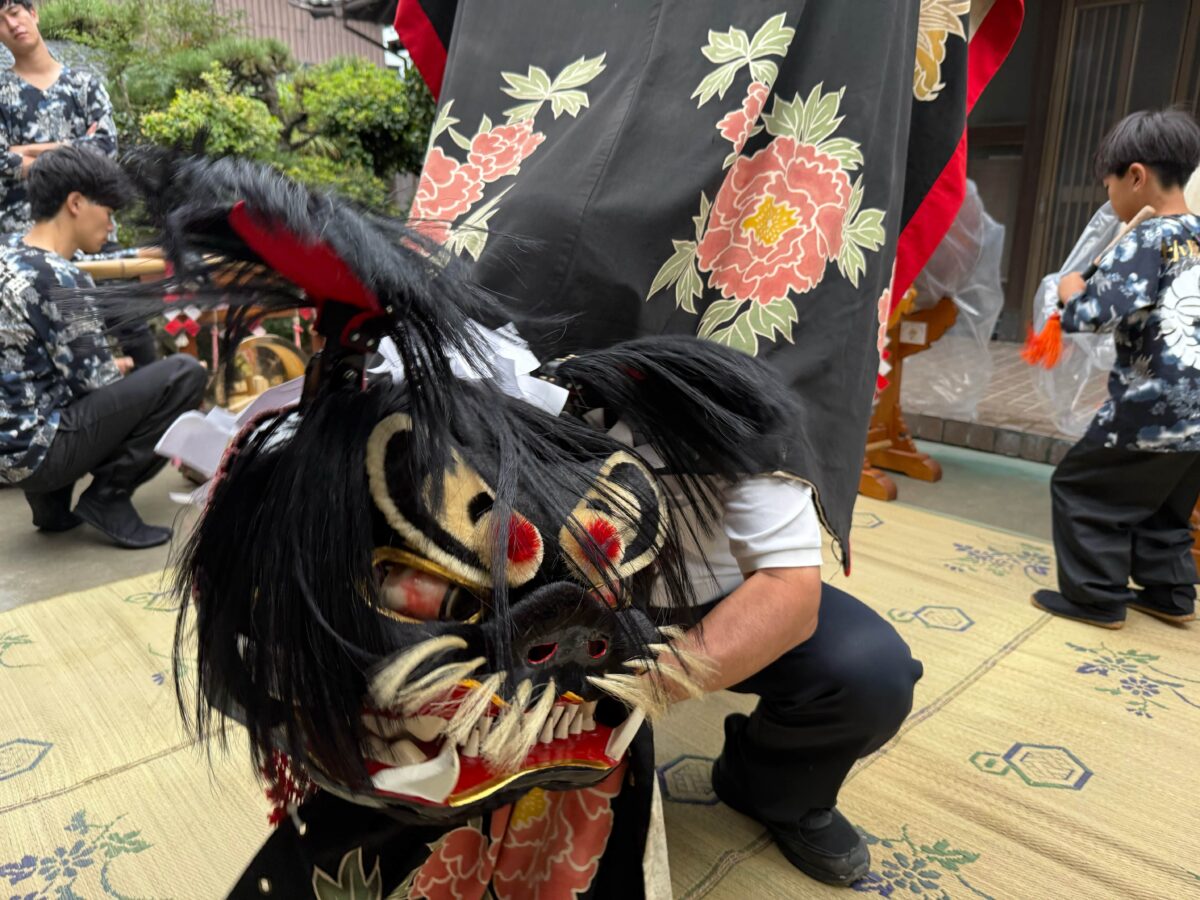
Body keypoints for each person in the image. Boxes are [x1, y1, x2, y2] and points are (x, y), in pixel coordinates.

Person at [1032, 108, 1200, 629]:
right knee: (1166, 499)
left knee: (1083, 487)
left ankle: (1095, 595)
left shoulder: (1147, 238)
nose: (1109, 197)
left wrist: (1070, 290)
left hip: (1155, 402)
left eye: (1109, 184)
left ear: (1136, 176)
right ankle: (1170, 592)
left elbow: (1094, 314)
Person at [0, 145, 206, 548]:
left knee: (55, 388)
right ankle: (108, 497)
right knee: (184, 375)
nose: (111, 227)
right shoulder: (61, 278)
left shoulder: (10, 255)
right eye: (108, 213)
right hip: (40, 454)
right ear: (76, 203)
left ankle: (51, 506)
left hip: (10, 449)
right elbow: (99, 387)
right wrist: (131, 376)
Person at [0, 0, 116, 235]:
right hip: (23, 236)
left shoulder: (85, 86)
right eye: (1, 22)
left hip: (91, 232)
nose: (11, 24)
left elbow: (106, 151)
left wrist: (27, 150)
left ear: (34, 14)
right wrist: (77, 151)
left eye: (14, 13)